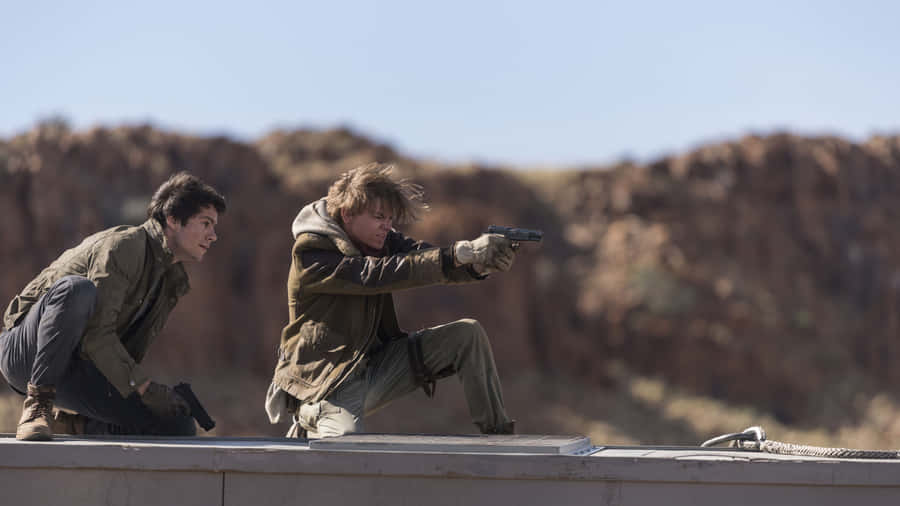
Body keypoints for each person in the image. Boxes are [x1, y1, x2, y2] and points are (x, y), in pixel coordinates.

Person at [265, 162, 517, 438]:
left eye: (389, 219)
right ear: (347, 215)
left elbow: (425, 257)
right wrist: (459, 253)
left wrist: (477, 263)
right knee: (346, 442)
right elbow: (374, 275)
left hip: (376, 365)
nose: (387, 226)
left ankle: (499, 436)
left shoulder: (379, 240)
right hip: (327, 383)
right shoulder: (310, 253)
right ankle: (308, 416)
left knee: (468, 334)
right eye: (379, 217)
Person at [0, 172, 226, 440]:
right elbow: (97, 334)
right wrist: (144, 386)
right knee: (77, 289)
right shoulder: (124, 246)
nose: (213, 236)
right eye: (206, 223)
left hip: (79, 365)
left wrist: (155, 397)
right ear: (173, 219)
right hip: (26, 353)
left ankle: (75, 425)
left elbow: (121, 352)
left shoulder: (170, 281)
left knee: (177, 425)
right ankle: (38, 406)